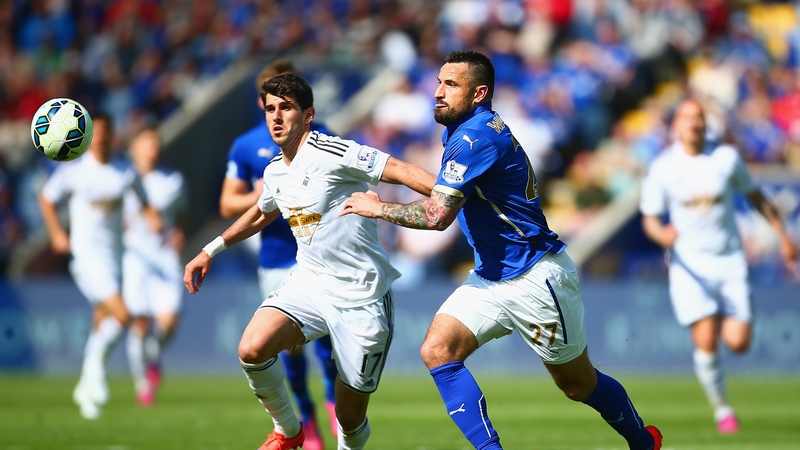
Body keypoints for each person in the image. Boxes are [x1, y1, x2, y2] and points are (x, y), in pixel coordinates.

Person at [341, 50, 663, 450]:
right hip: (491, 276)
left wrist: (378, 208)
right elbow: (448, 192)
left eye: (450, 85)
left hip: (534, 276)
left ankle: (644, 443)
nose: (438, 92)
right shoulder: (467, 130)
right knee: (438, 350)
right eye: (439, 82)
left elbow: (437, 216)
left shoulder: (475, 138)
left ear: (479, 93)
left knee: (578, 384)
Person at [184, 73, 436, 450]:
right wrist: (210, 250)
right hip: (311, 283)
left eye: (286, 108)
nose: (276, 117)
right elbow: (259, 213)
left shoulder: (335, 152)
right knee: (252, 348)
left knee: (348, 420)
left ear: (308, 114)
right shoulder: (274, 171)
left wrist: (449, 195)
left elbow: (400, 170)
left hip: (362, 295)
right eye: (270, 108)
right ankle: (289, 431)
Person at [639, 98, 798, 434]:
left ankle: (722, 315)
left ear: (704, 124)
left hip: (729, 261)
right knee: (706, 338)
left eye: (698, 118)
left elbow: (755, 197)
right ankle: (723, 410)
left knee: (738, 342)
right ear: (676, 125)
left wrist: (782, 235)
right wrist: (663, 235)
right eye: (686, 118)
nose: (693, 124)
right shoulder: (663, 167)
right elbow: (650, 219)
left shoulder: (725, 159)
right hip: (689, 266)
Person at [220, 58, 337, 449]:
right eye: (273, 100)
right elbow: (226, 204)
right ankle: (308, 427)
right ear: (261, 101)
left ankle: (339, 421)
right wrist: (273, 191)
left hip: (322, 254)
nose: (280, 109)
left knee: (328, 346)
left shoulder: (321, 136)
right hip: (276, 257)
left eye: (289, 99)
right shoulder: (247, 146)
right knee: (289, 352)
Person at [39, 114, 162, 419]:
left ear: (113, 136)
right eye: (98, 133)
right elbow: (46, 198)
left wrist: (153, 218)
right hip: (86, 259)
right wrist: (56, 233)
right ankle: (94, 377)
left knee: (101, 321)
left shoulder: (124, 172)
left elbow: (144, 201)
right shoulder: (75, 171)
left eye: (108, 133)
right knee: (123, 315)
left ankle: (86, 389)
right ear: (89, 135)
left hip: (115, 258)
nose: (103, 138)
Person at [122, 127, 188, 407]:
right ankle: (142, 385)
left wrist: (180, 231)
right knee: (138, 321)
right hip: (134, 258)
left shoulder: (171, 180)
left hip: (164, 257)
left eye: (155, 140)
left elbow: (179, 213)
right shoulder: (120, 179)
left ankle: (153, 354)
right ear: (133, 147)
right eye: (146, 140)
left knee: (169, 323)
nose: (152, 145)